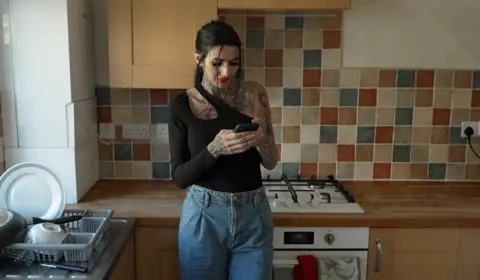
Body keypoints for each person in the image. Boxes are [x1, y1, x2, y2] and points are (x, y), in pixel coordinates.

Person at [168, 20, 278, 280]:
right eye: (217, 63)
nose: (226, 71)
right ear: (199, 60)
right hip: (204, 217)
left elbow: (271, 162)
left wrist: (262, 140)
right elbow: (179, 177)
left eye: (234, 62)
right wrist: (214, 149)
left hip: (253, 215)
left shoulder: (255, 95)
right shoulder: (182, 105)